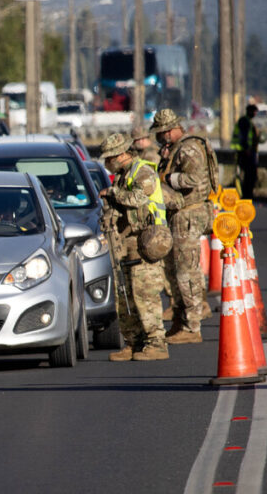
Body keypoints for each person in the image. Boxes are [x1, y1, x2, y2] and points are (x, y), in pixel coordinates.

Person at [99, 133, 170, 362]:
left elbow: (138, 199)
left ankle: (156, 343)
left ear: (122, 154)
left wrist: (112, 193)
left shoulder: (143, 172)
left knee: (145, 294)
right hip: (125, 243)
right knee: (125, 296)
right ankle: (134, 342)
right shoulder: (122, 176)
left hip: (145, 241)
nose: (107, 163)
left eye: (110, 158)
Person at [151, 109, 214, 345]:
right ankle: (180, 321)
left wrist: (167, 179)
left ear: (169, 130)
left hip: (189, 213)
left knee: (187, 272)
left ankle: (192, 326)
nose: (159, 139)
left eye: (160, 134)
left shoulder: (188, 148)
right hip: (179, 214)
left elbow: (193, 180)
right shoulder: (176, 148)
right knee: (176, 271)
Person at [232, 104, 260, 199]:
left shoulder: (248, 121)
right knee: (249, 175)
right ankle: (246, 194)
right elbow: (244, 137)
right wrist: (247, 149)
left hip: (248, 152)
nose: (255, 114)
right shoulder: (245, 121)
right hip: (245, 153)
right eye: (254, 111)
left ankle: (247, 194)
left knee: (249, 175)